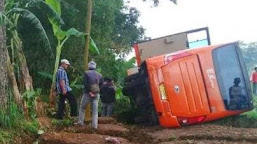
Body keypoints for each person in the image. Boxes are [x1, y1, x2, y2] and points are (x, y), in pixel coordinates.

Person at [77, 61, 103, 129]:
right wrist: (96, 92)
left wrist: (90, 92)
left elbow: (85, 84)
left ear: (89, 66)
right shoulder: (100, 75)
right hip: (96, 93)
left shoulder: (86, 73)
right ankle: (94, 126)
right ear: (95, 67)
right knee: (95, 110)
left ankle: (80, 122)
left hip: (87, 93)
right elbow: (101, 85)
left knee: (82, 107)